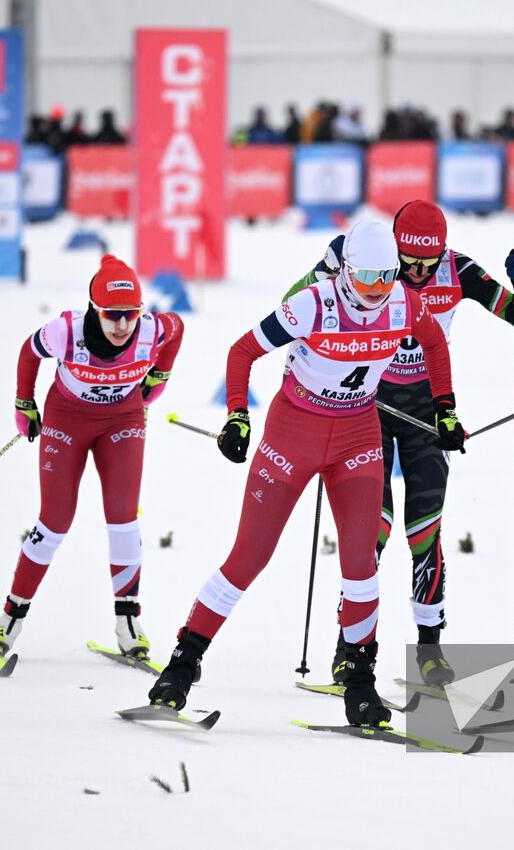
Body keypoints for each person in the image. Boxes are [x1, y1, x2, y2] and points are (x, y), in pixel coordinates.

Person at [147, 220, 467, 726]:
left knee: (361, 565)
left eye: (386, 277)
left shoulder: (404, 300)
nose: (377, 291)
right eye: (366, 278)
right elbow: (242, 351)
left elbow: (434, 344)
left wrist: (444, 407)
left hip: (358, 435)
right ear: (345, 273)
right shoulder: (314, 303)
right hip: (293, 433)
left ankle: (360, 682)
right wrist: (236, 415)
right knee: (249, 557)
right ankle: (181, 666)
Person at [285, 200, 514, 688]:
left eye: (428, 262)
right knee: (369, 532)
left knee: (424, 530)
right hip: (368, 403)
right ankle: (349, 649)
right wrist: (326, 269)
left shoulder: (458, 270)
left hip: (427, 409)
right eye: (409, 262)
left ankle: (429, 649)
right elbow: (293, 305)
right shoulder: (368, 268)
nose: (418, 273)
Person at [0, 256, 184, 671]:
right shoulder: (66, 331)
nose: (122, 325)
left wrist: (158, 377)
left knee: (123, 518)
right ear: (95, 308)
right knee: (54, 520)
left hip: (122, 419)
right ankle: (7, 622)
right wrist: (24, 402)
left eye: (130, 315)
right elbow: (28, 351)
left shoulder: (153, 329)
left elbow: (178, 329)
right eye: (112, 315)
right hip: (67, 419)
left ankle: (129, 625)